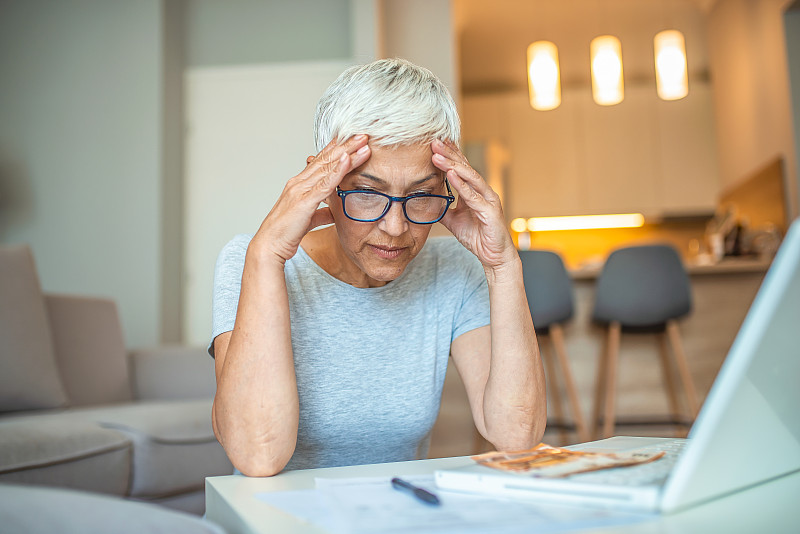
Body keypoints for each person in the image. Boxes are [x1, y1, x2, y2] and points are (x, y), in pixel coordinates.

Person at [210, 58, 546, 477]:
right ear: (324, 185)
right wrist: (266, 256)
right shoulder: (253, 259)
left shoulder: (453, 269)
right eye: (368, 193)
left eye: (421, 194)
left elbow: (518, 436)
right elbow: (258, 456)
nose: (395, 227)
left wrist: (503, 266)